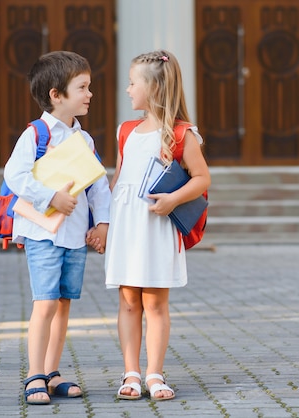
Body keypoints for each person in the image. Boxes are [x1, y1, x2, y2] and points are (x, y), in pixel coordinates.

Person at [88, 50, 210, 401]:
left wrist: (173, 200)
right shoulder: (125, 131)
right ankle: (131, 373)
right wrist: (104, 225)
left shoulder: (181, 133)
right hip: (127, 227)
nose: (127, 90)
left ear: (154, 88)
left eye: (132, 83)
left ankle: (154, 373)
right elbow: (118, 181)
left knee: (155, 303)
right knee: (128, 302)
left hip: (156, 229)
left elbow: (201, 179)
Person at [4, 50, 111, 405]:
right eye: (82, 87)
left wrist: (105, 224)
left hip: (75, 237)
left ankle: (51, 372)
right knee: (45, 303)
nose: (89, 94)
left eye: (89, 86)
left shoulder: (85, 140)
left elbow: (99, 185)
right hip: (42, 234)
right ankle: (34, 373)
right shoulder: (35, 134)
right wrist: (51, 196)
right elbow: (14, 175)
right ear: (56, 94)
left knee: (63, 303)